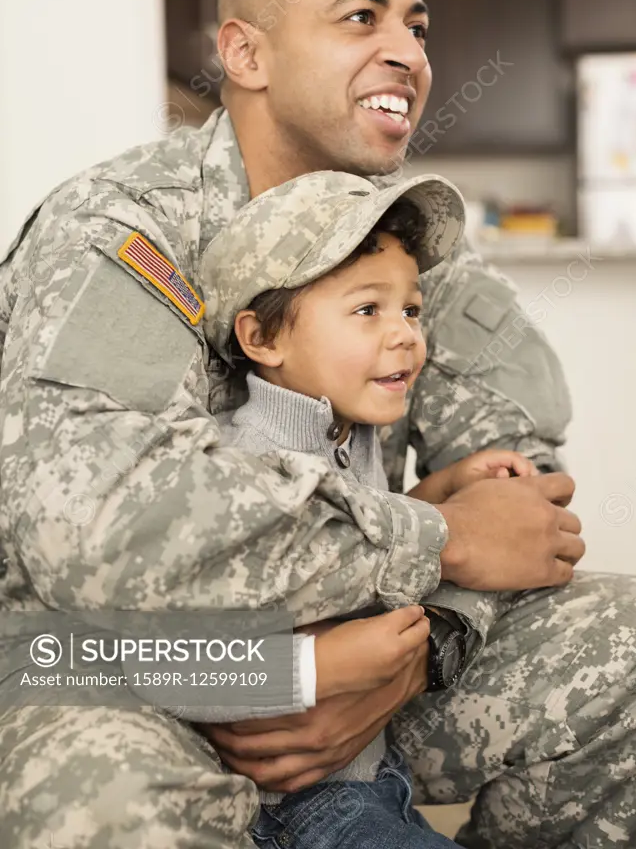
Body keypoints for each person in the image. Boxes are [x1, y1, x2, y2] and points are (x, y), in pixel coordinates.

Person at [0, 0, 636, 848]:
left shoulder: (415, 244)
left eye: (417, 25)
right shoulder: (123, 230)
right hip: (120, 665)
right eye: (362, 17)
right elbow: (102, 533)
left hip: (366, 649)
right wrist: (435, 539)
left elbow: (524, 494)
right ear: (245, 53)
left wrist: (420, 650)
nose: (407, 49)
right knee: (102, 802)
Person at [196, 168, 537, 848]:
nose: (407, 335)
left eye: (410, 310)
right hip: (300, 805)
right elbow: (198, 650)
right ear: (264, 339)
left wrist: (439, 494)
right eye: (367, 310)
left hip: (375, 774)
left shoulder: (349, 429)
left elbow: (362, 537)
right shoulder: (246, 467)